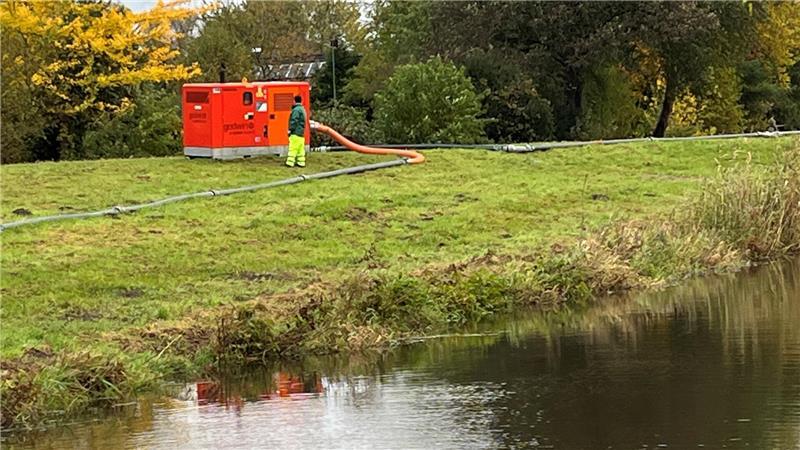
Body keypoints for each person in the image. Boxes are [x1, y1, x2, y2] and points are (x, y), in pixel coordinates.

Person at [286, 95, 307, 167]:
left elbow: (294, 121)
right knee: (300, 149)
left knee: (293, 148)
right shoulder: (302, 109)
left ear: (294, 101)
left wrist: (290, 129)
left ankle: (290, 163)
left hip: (295, 132)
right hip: (301, 133)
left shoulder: (296, 110)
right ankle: (301, 162)